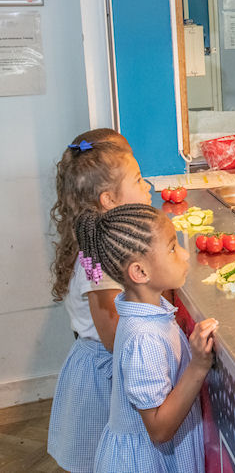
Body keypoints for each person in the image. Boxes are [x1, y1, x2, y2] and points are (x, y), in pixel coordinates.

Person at [76, 203, 218, 472]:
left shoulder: (149, 314)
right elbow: (159, 428)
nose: (186, 255)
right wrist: (198, 365)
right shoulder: (145, 338)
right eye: (173, 248)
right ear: (140, 272)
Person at [48, 128, 152, 473]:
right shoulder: (101, 261)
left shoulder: (101, 242)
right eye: (138, 180)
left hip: (99, 366)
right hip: (104, 375)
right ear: (109, 199)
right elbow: (115, 338)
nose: (148, 186)